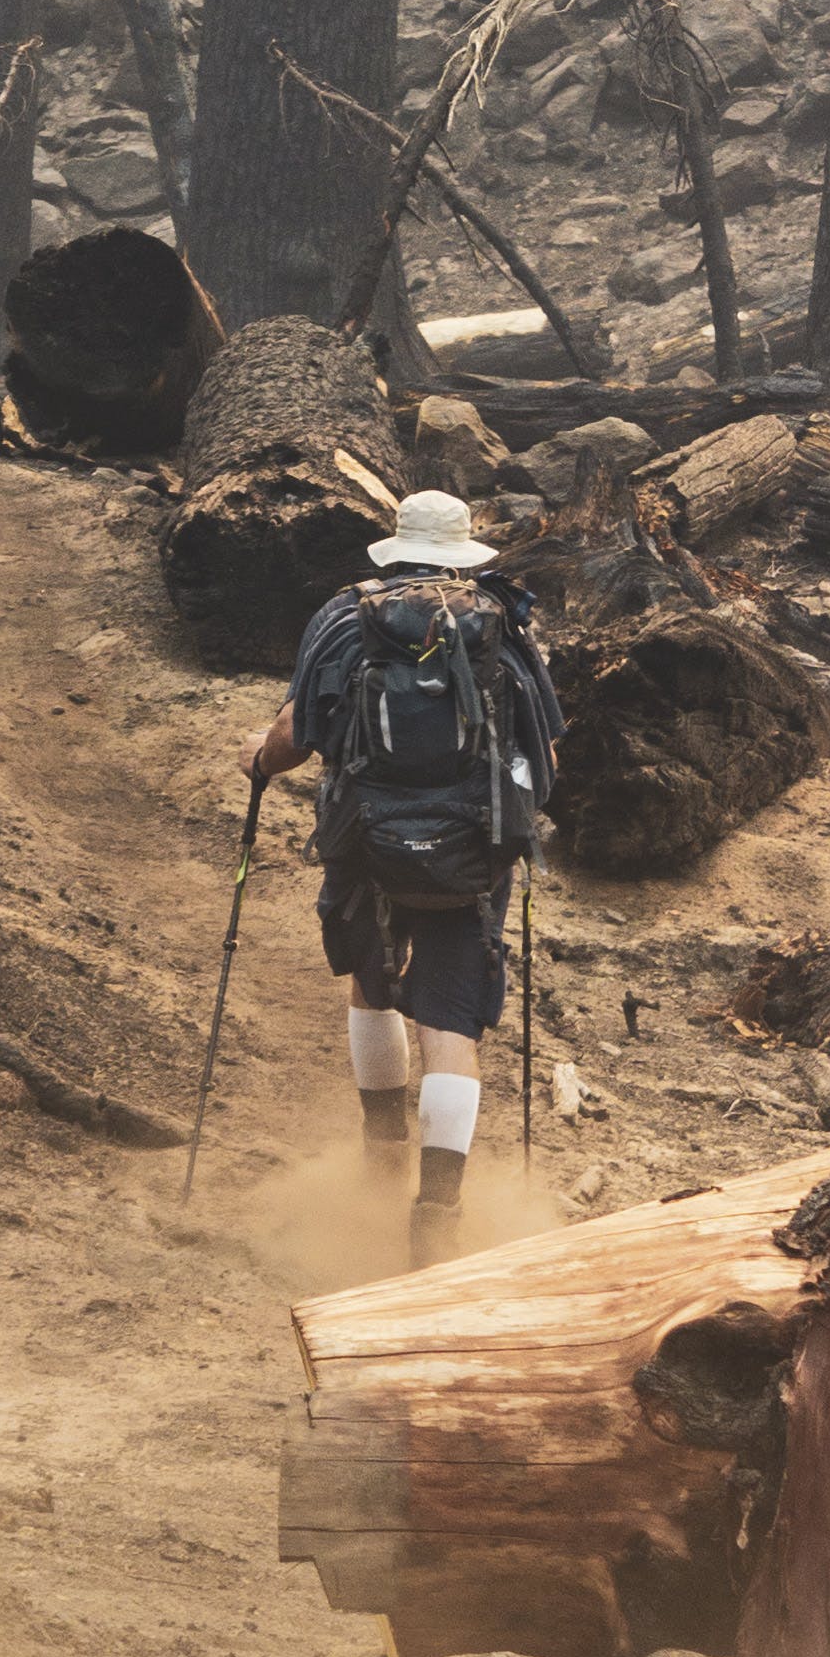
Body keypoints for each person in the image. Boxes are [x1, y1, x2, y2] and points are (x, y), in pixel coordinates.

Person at [249, 485, 559, 1263]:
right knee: (449, 1020)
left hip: (364, 835)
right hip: (471, 846)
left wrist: (255, 761)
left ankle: (379, 1157)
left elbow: (298, 729)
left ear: (396, 543)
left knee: (369, 978)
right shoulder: (502, 618)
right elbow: (548, 747)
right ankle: (437, 1216)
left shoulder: (346, 614)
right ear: (464, 549)